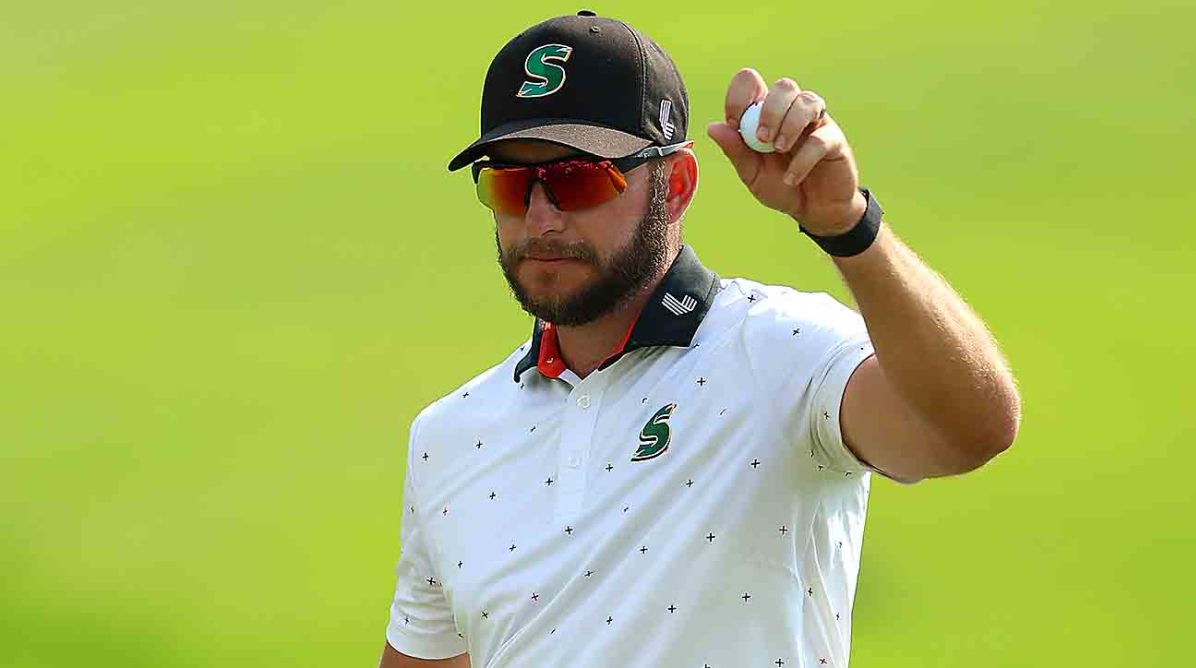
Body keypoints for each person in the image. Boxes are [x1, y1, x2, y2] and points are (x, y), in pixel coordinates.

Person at [379, 10, 1020, 668]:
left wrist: (849, 226)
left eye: (578, 179)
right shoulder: (449, 437)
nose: (542, 219)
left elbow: (972, 428)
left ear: (677, 187)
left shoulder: (783, 352)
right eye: (513, 185)